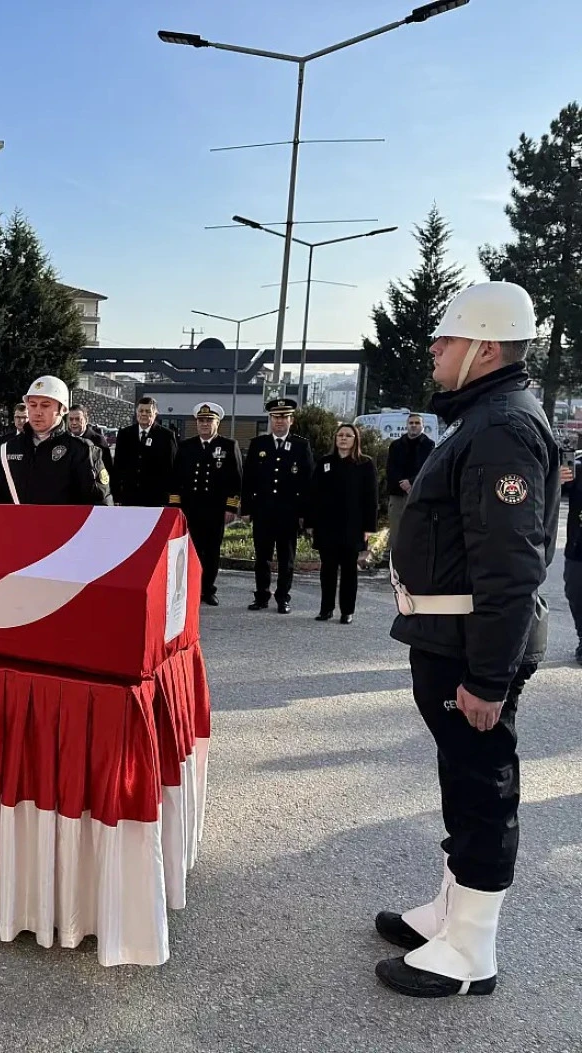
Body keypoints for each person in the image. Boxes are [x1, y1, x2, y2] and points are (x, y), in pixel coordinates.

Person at [376, 282, 559, 999]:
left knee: (483, 788)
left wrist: (488, 678)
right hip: (451, 638)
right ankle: (449, 916)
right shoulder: (483, 417)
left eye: (446, 340)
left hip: (472, 649)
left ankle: (471, 952)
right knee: (461, 777)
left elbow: (512, 567)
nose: (433, 350)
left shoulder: (503, 428)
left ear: (485, 347)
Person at [240, 397, 314, 614]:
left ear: (291, 420)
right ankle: (261, 595)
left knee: (286, 558)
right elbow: (249, 479)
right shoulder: (258, 445)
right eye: (275, 417)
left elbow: (308, 483)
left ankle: (283, 597)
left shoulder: (301, 446)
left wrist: (305, 514)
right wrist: (246, 509)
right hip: (263, 511)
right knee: (262, 556)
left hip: (288, 513)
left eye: (284, 417)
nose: (279, 421)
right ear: (270, 419)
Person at [0, 376, 111, 505]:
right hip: (20, 524)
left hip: (68, 524)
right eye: (32, 405)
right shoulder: (7, 448)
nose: (37, 412)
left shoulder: (82, 451)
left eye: (45, 405)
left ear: (63, 409)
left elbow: (100, 505)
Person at [172, 403, 243, 606]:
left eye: (209, 420)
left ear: (217, 422)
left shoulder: (229, 446)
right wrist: (175, 506)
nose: (204, 424)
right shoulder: (186, 446)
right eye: (201, 420)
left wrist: (231, 507)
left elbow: (236, 480)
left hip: (215, 509)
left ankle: (208, 590)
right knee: (189, 551)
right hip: (190, 509)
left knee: (211, 551)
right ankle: (188, 588)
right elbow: (176, 478)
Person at [308, 423, 377, 624]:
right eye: (340, 435)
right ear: (335, 439)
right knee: (327, 569)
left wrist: (368, 528)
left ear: (355, 440)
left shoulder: (365, 464)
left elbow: (370, 498)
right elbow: (314, 494)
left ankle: (347, 611)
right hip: (327, 526)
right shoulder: (325, 462)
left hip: (352, 526)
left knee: (349, 570)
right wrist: (311, 522)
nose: (344, 439)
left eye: (348, 435)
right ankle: (326, 609)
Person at [112, 396, 178, 507]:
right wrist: (116, 495)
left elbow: (172, 468)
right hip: (129, 497)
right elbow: (118, 466)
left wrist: (169, 498)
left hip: (156, 498)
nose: (143, 414)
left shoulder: (166, 436)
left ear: (155, 414)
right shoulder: (125, 434)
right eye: (141, 411)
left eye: (148, 411)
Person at [385, 412, 435, 543]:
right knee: (396, 532)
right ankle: (393, 560)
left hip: (418, 494)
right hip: (397, 495)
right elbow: (391, 469)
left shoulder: (429, 446)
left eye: (417, 423)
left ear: (423, 426)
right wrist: (402, 484)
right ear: (406, 425)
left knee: (417, 531)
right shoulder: (396, 446)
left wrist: (412, 483)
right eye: (411, 423)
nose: (414, 426)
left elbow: (428, 469)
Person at [562, 444, 581, 664]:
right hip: (578, 549)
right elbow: (555, 491)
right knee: (576, 594)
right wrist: (555, 478)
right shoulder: (577, 466)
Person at [67, 405, 114, 477]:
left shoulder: (98, 441)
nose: (74, 423)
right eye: (71, 419)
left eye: (78, 419)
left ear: (86, 420)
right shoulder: (64, 440)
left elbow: (107, 469)